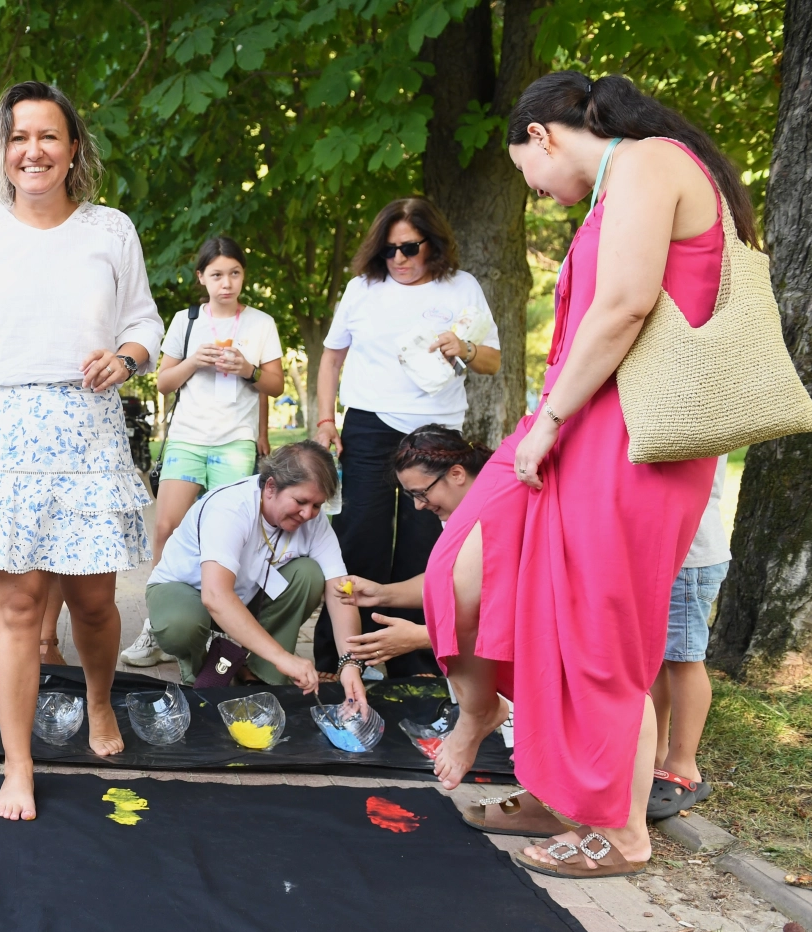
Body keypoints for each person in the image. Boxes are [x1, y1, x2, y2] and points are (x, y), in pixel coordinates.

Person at [422, 72, 741, 879]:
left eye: (523, 173)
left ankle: (621, 829)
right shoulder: (616, 189)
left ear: (541, 136)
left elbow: (626, 304)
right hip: (572, 424)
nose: (531, 191)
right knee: (464, 573)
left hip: (626, 439)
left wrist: (552, 420)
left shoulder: (647, 162)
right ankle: (546, 775)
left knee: (596, 633)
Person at [0, 80, 163, 821]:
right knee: (17, 606)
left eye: (49, 136)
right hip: (0, 428)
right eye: (19, 137)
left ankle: (98, 701)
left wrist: (125, 359)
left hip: (87, 424)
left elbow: (144, 325)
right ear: (3, 151)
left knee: (93, 600)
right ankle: (17, 763)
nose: (34, 150)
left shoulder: (110, 229)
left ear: (72, 150)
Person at [311, 197, 500, 677]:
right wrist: (326, 421)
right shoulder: (361, 289)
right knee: (360, 536)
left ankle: (414, 663)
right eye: (389, 250)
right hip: (370, 422)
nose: (399, 259)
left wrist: (467, 347)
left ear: (433, 246)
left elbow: (493, 361)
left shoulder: (462, 287)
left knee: (427, 546)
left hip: (436, 429)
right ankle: (341, 657)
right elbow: (331, 360)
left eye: (411, 248)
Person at [122, 235, 284, 668]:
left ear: (243, 276)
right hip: (188, 438)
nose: (226, 283)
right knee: (168, 529)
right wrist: (196, 361)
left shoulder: (261, 324)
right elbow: (163, 381)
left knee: (229, 535)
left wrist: (247, 369)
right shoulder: (186, 320)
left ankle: (226, 629)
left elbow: (276, 384)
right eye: (217, 275)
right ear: (202, 278)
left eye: (234, 273)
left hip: (235, 441)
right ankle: (156, 628)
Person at [145, 443, 368, 708]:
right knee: (180, 624)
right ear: (271, 487)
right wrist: (284, 657)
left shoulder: (312, 519)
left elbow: (340, 590)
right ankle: (201, 667)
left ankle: (258, 670)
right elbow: (215, 596)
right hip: (186, 593)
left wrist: (350, 663)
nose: (308, 514)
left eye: (317, 505)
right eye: (300, 502)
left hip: (245, 594)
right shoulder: (231, 508)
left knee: (309, 575)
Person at [337, 424, 491, 667]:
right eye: (412, 496)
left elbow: (502, 612)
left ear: (457, 474)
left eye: (421, 493)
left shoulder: (496, 515)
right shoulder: (461, 509)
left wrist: (421, 637)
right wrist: (381, 593)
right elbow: (450, 581)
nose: (419, 506)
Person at [648, 454, 730, 819]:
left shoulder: (694, 406)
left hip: (690, 556)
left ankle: (684, 767)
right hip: (665, 549)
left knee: (683, 660)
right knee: (658, 661)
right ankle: (656, 755)